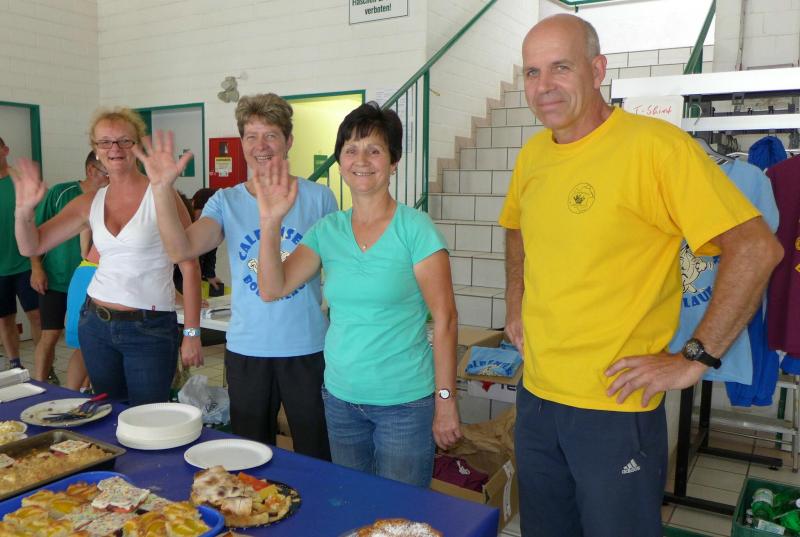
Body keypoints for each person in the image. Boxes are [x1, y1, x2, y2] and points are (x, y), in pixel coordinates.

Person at [499, 14, 783, 537]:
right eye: (532, 72)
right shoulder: (533, 154)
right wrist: (514, 297)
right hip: (536, 397)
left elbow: (755, 248)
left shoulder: (657, 148)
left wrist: (694, 358)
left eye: (560, 67)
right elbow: (516, 226)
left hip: (614, 407)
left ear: (597, 70)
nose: (544, 86)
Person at [254, 102, 462, 487]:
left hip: (404, 403)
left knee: (401, 512)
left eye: (374, 150)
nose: (361, 160)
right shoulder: (327, 230)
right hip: (340, 400)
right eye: (351, 150)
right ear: (339, 162)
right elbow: (272, 287)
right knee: (353, 504)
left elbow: (446, 319)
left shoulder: (416, 229)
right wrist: (270, 222)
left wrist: (446, 399)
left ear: (394, 162)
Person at [145, 93, 334, 460]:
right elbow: (181, 250)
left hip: (308, 347)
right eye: (251, 136)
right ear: (242, 143)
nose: (260, 146)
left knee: (316, 452)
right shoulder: (225, 201)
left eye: (271, 135)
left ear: (289, 141)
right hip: (248, 348)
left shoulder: (319, 198)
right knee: (250, 454)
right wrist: (161, 189)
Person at [11, 108, 203, 405]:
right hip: (96, 323)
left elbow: (190, 266)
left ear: (137, 145)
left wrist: (191, 333)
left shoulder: (162, 194)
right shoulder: (90, 201)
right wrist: (23, 212)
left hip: (150, 327)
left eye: (124, 141)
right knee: (107, 413)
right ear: (96, 149)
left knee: (148, 415)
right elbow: (31, 246)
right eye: (105, 142)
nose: (115, 148)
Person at [32, 151, 109, 384]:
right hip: (57, 278)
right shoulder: (61, 193)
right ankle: (41, 383)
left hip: (94, 281)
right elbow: (36, 233)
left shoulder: (109, 198)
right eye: (106, 173)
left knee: (88, 341)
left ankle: (85, 389)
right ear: (91, 170)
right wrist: (36, 268)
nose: (110, 178)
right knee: (50, 334)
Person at [0, 136, 42, 370]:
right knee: (5, 319)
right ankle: (16, 366)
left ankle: (44, 366)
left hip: (25, 265)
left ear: (5, 150)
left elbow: (32, 224)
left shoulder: (19, 182)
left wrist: (36, 266)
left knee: (37, 316)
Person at [190, 188, 224, 294]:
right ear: (192, 204)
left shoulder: (211, 225)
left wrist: (210, 275)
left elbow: (211, 248)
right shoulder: (183, 221)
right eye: (201, 214)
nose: (202, 220)